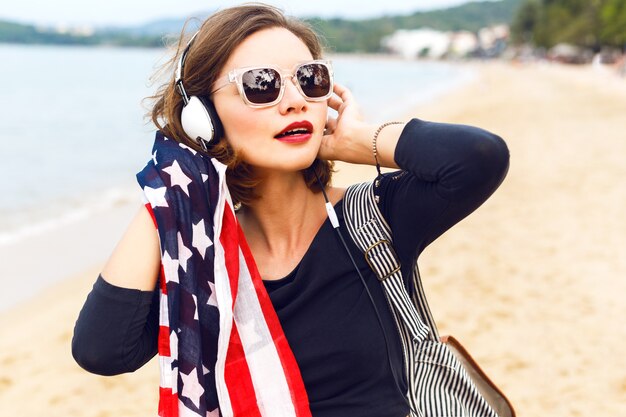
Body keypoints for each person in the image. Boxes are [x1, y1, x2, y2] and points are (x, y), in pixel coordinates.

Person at [72, 3, 510, 417]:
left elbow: (477, 158)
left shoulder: (376, 217)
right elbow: (103, 350)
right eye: (261, 84)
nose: (296, 100)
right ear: (203, 115)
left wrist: (355, 139)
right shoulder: (203, 261)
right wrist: (175, 183)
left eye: (310, 79)